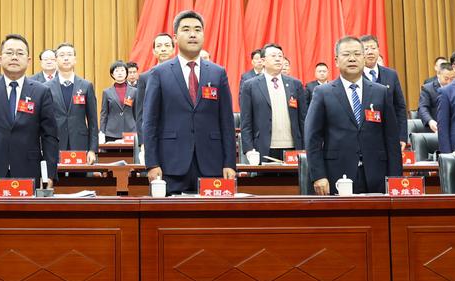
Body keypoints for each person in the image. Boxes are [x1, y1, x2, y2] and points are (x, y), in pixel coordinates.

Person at [140, 11, 236, 195]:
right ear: (175, 38)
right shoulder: (159, 73)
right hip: (170, 164)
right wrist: (151, 164)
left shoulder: (218, 73)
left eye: (197, 30)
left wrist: (229, 163)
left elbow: (226, 121)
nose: (193, 34)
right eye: (186, 29)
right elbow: (149, 122)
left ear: (203, 35)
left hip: (212, 163)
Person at [304, 36, 401, 195]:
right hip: (336, 174)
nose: (352, 59)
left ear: (364, 58)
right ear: (336, 61)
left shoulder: (381, 92)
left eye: (357, 54)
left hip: (377, 174)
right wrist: (318, 175)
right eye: (346, 54)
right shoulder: (322, 93)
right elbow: (312, 138)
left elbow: (392, 139)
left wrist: (395, 178)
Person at [0, 34, 61, 193]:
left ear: (28, 60)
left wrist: (49, 174)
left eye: (20, 53)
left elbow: (50, 136)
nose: (14, 57)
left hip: (29, 171)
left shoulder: (41, 91)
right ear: (0, 59)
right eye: (9, 53)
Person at [240, 43, 305, 162]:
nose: (278, 59)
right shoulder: (250, 86)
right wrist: (249, 150)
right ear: (263, 61)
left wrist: (306, 147)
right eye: (273, 56)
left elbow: (303, 119)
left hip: (293, 148)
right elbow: (246, 122)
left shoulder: (295, 84)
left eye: (280, 56)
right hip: (263, 148)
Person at [358, 35, 409, 147]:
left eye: (373, 48)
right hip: (363, 136)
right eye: (366, 49)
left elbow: (400, 107)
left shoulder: (391, 74)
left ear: (378, 50)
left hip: (389, 134)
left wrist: (402, 137)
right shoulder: (355, 76)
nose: (370, 52)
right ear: (359, 53)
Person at [51, 43, 98, 156]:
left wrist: (92, 150)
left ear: (75, 59)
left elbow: (93, 121)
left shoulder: (86, 86)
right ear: (56, 60)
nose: (66, 58)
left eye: (69, 54)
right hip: (55, 143)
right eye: (62, 55)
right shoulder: (46, 87)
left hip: (80, 143)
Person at [99, 62, 137, 142]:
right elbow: (104, 114)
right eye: (117, 71)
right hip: (112, 132)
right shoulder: (107, 92)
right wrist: (102, 132)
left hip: (130, 131)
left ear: (126, 73)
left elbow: (137, 113)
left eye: (122, 70)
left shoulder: (134, 91)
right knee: (113, 151)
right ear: (112, 74)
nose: (120, 73)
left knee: (130, 151)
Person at [417, 57, 451, 133]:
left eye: (452, 79)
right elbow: (423, 108)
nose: (449, 82)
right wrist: (430, 121)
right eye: (446, 79)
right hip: (436, 129)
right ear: (438, 74)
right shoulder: (428, 88)